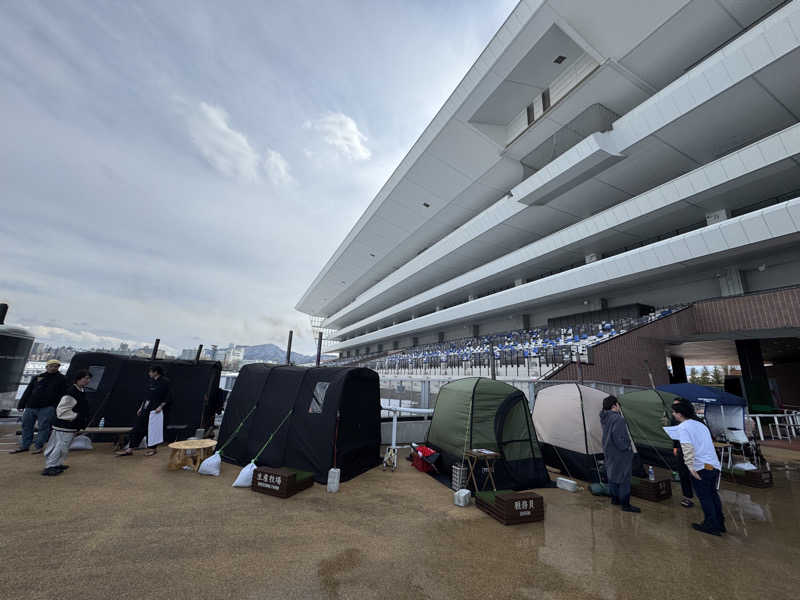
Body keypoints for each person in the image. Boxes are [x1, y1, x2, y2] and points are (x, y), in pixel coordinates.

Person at [672, 398, 725, 536]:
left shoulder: (683, 427)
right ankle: (719, 523)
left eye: (674, 412)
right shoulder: (700, 425)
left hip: (700, 467)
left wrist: (690, 467)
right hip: (712, 465)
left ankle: (711, 524)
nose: (673, 414)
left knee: (705, 496)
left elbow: (687, 448)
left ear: (680, 414)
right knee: (713, 494)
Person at [11, 359, 68, 454]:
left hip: (48, 407)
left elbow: (64, 394)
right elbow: (28, 390)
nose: (53, 368)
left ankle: (38, 446)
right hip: (31, 406)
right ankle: (24, 446)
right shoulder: (38, 377)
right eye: (51, 366)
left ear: (58, 367)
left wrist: (55, 406)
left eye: (56, 366)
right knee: (26, 426)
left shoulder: (62, 379)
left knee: (44, 427)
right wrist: (21, 404)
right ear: (47, 367)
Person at [42, 370, 91, 476]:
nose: (88, 381)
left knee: (64, 446)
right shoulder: (72, 392)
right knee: (60, 446)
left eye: (89, 378)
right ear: (78, 379)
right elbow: (61, 410)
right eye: (85, 378)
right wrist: (76, 416)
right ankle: (50, 466)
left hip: (69, 425)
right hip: (64, 425)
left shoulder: (79, 391)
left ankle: (57, 464)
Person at [115, 365, 171, 457]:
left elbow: (168, 396)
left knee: (152, 429)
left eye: (150, 372)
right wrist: (141, 407)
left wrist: (161, 406)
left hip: (155, 409)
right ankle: (130, 449)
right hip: (146, 407)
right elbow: (147, 396)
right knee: (137, 427)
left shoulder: (165, 382)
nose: (149, 374)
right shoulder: (151, 381)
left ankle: (153, 449)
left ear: (156, 372)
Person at [600, 396, 640, 513]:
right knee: (624, 479)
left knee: (612, 476)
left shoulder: (604, 418)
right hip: (620, 453)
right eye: (618, 404)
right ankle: (625, 505)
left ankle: (615, 500)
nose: (619, 407)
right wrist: (627, 446)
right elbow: (619, 438)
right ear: (614, 405)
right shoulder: (618, 419)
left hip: (609, 451)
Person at [671, 399, 701, 508]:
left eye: (677, 407)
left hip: (695, 452)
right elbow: (674, 434)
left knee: (696, 474)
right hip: (681, 449)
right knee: (683, 474)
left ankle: (701, 495)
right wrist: (675, 446)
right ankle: (687, 497)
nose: (674, 412)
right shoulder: (675, 420)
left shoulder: (696, 421)